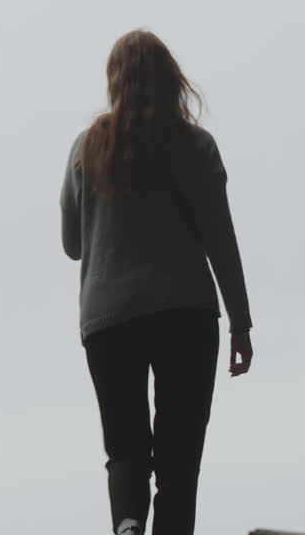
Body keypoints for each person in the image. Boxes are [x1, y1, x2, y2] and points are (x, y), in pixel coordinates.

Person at [60, 29, 254, 535]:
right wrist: (241, 324)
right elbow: (221, 240)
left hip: (108, 319)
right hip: (185, 313)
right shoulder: (195, 145)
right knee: (179, 455)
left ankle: (127, 524)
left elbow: (72, 243)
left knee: (124, 446)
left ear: (114, 81)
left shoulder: (85, 148)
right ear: (171, 78)